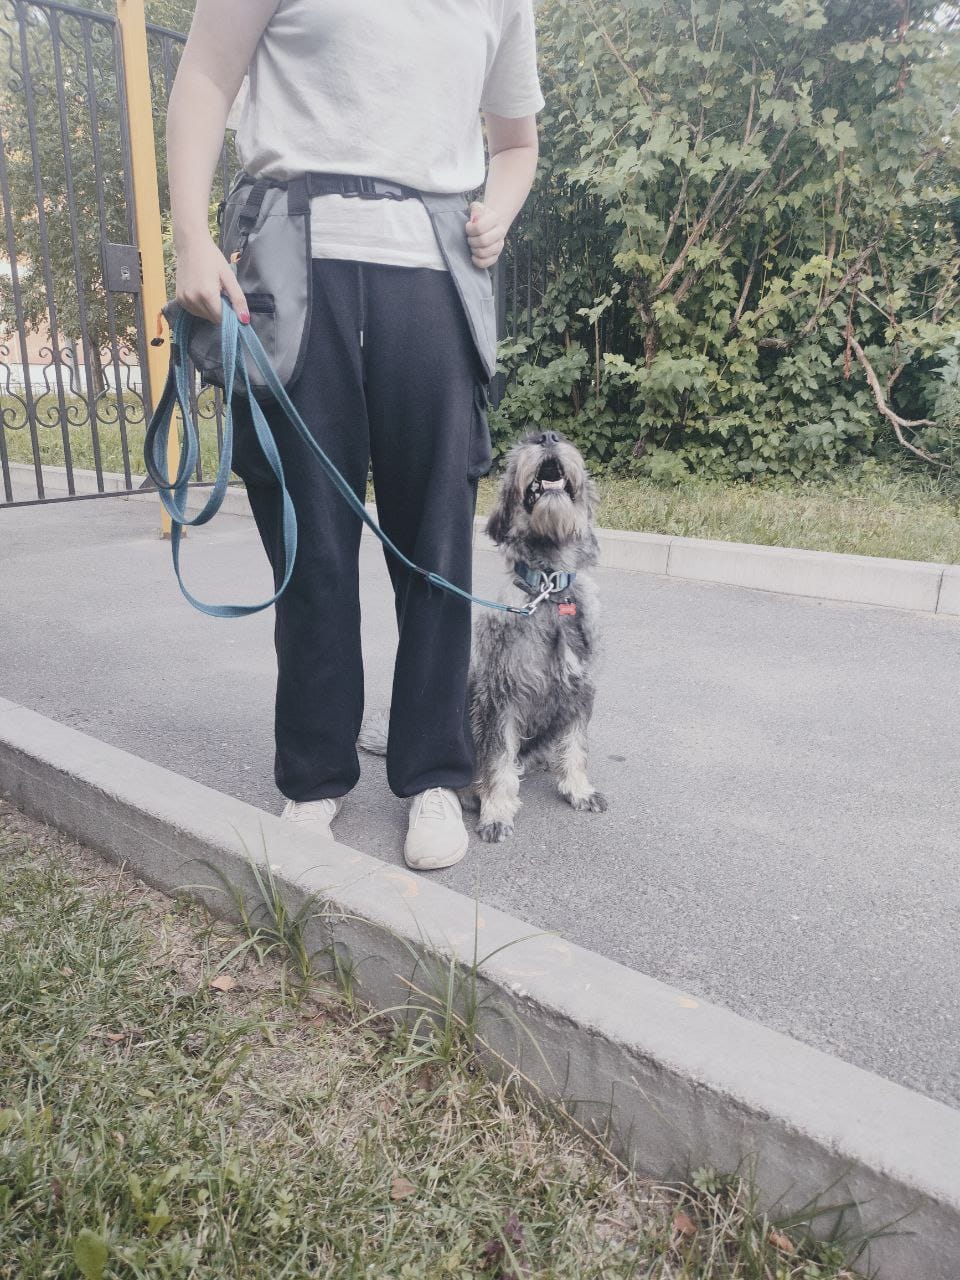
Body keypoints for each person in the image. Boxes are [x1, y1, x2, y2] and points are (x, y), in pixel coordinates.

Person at [166, 1, 544, 870]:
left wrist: (500, 208)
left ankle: (434, 774)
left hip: (436, 274)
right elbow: (206, 76)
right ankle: (314, 776)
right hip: (293, 266)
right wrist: (189, 234)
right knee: (311, 541)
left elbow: (515, 142)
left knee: (437, 542)